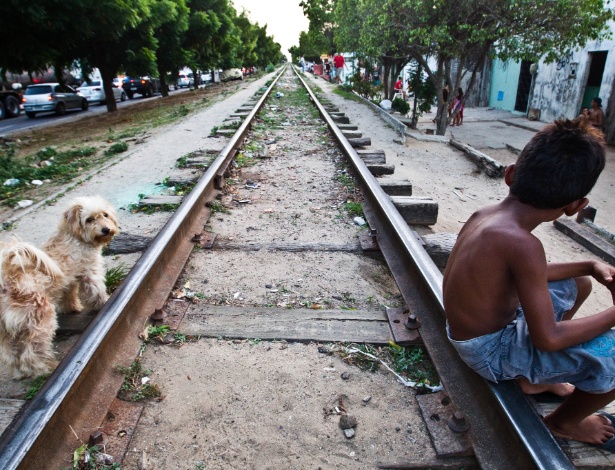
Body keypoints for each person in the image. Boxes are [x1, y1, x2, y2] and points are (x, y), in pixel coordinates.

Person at [443, 119, 615, 450]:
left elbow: (529, 273)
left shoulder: (487, 215)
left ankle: (533, 378)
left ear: (510, 174)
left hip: (474, 332)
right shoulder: (523, 244)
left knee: (577, 282)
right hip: (490, 353)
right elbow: (548, 338)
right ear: (575, 206)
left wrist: (589, 266)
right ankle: (564, 422)